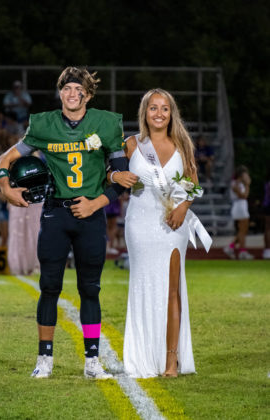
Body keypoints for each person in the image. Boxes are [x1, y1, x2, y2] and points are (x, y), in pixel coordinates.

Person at [0, 66, 127, 379]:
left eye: (78, 89)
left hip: (91, 215)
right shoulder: (44, 124)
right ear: (60, 92)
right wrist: (4, 185)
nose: (71, 93)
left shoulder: (105, 124)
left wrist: (96, 202)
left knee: (90, 289)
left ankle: (92, 361)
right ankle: (45, 359)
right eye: (66, 88)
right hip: (55, 213)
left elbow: (121, 176)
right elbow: (5, 160)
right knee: (49, 286)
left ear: (88, 95)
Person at [112, 88, 212, 378]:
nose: (159, 113)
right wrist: (115, 175)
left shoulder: (182, 144)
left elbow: (193, 182)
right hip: (140, 222)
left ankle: (172, 359)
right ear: (145, 112)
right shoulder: (131, 144)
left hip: (174, 224)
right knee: (144, 286)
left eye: (164, 108)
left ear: (172, 113)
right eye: (153, 108)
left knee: (172, 288)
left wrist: (183, 207)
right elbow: (109, 171)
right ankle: (143, 355)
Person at [223, 165, 254, 260]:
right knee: (242, 230)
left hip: (241, 206)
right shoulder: (236, 184)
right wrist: (248, 185)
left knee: (243, 231)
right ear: (241, 174)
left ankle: (230, 247)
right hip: (239, 206)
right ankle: (242, 251)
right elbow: (243, 196)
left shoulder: (239, 183)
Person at [262, 169, 270, 259]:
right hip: (268, 206)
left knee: (267, 229)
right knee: (268, 229)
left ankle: (267, 250)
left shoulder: (267, 182)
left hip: (267, 206)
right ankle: (268, 250)